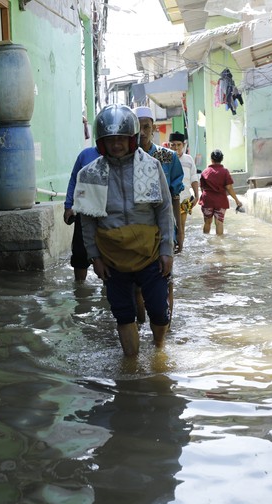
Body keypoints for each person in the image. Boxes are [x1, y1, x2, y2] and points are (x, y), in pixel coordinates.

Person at [74, 104, 174, 355]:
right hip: (112, 257)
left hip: (149, 253)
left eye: (121, 139)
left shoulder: (151, 166)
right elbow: (87, 220)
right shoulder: (90, 173)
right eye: (110, 140)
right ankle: (131, 365)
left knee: (159, 311)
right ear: (101, 142)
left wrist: (167, 250)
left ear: (131, 139)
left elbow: (164, 209)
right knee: (123, 314)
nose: (116, 144)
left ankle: (159, 351)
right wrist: (94, 257)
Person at [133, 107, 184, 252]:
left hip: (164, 225)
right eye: (138, 127)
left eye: (146, 127)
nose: (142, 132)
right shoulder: (127, 158)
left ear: (153, 128)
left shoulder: (168, 156)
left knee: (165, 269)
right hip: (136, 226)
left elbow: (175, 195)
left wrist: (180, 231)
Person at [63, 146, 100, 281]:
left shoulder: (118, 155)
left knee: (109, 254)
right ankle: (80, 289)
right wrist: (69, 205)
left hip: (108, 214)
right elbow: (74, 180)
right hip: (83, 210)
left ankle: (108, 291)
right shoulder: (85, 155)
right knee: (80, 253)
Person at [198, 149, 243, 235]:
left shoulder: (205, 172)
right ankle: (219, 245)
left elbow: (202, 188)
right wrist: (237, 200)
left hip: (207, 200)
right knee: (219, 223)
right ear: (221, 159)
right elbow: (229, 187)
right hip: (221, 201)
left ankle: (206, 244)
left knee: (207, 222)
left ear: (211, 159)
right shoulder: (225, 172)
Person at [168, 132, 198, 249]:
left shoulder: (189, 159)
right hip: (169, 199)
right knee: (169, 226)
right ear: (169, 145)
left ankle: (180, 250)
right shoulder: (166, 158)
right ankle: (171, 249)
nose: (176, 147)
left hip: (184, 199)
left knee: (181, 226)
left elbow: (194, 177)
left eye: (178, 145)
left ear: (183, 145)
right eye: (173, 145)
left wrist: (196, 195)